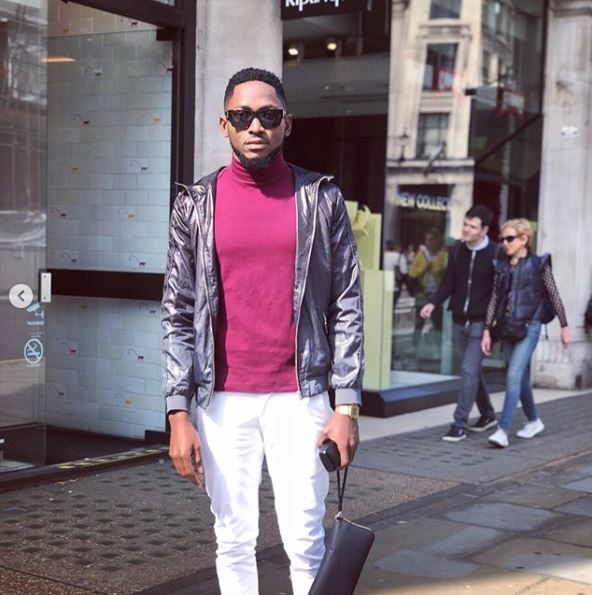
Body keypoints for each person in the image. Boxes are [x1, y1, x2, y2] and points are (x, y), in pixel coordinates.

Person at [161, 67, 364, 595]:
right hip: (223, 399)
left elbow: (346, 303)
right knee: (232, 539)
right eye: (243, 115)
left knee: (305, 541)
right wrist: (177, 411)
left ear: (287, 124)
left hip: (302, 396)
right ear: (224, 124)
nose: (256, 126)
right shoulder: (195, 204)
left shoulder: (320, 197)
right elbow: (178, 310)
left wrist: (346, 407)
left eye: (269, 115)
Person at [481, 218, 571, 448]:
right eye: (502, 239)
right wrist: (487, 330)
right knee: (519, 377)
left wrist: (564, 326)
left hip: (530, 327)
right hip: (506, 327)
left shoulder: (539, 264)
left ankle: (502, 430)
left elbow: (554, 294)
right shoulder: (501, 266)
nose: (505, 243)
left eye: (510, 238)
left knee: (513, 375)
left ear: (524, 239)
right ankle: (533, 421)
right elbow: (494, 299)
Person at [420, 206, 499, 442]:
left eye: (473, 226)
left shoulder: (496, 253)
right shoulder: (457, 251)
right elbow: (448, 283)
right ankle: (488, 414)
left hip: (481, 323)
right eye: (465, 224)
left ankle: (459, 424)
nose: (466, 229)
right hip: (458, 321)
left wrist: (491, 326)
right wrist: (432, 303)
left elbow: (499, 292)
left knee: (468, 370)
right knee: (471, 370)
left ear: (484, 230)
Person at [408, 229, 447, 351]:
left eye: (431, 240)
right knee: (419, 322)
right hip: (423, 293)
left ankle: (439, 349)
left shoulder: (443, 256)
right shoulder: (421, 255)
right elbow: (412, 273)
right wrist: (425, 268)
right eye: (427, 240)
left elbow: (445, 274)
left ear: (437, 240)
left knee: (437, 323)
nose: (428, 243)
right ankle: (414, 347)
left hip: (436, 294)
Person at [383, 240, 408, 307]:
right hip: (395, 286)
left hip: (383, 284)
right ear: (396, 247)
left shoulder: (383, 256)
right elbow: (404, 271)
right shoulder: (400, 257)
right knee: (392, 306)